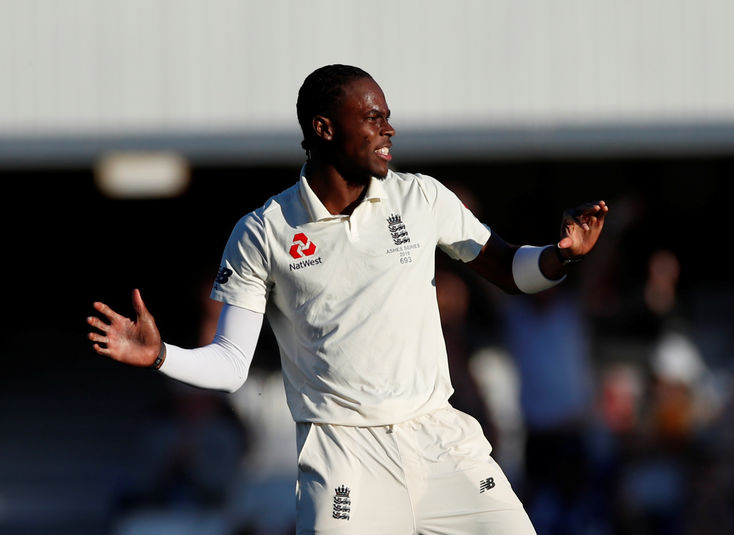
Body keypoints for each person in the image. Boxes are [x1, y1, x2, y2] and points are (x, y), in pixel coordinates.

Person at [87, 64, 608, 534]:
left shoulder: (421, 197)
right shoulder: (263, 233)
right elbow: (230, 365)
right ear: (324, 128)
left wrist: (561, 256)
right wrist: (159, 356)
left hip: (441, 443)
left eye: (387, 117)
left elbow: (511, 269)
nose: (389, 129)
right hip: (345, 459)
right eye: (373, 117)